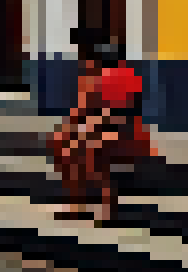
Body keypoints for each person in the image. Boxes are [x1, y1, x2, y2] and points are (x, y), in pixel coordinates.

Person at [50, 35, 153, 223]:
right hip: (120, 135)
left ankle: (93, 206)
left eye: (86, 60)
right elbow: (81, 115)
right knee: (75, 151)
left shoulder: (109, 80)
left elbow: (116, 116)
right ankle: (86, 205)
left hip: (122, 136)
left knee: (84, 154)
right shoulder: (101, 80)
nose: (83, 64)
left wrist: (81, 132)